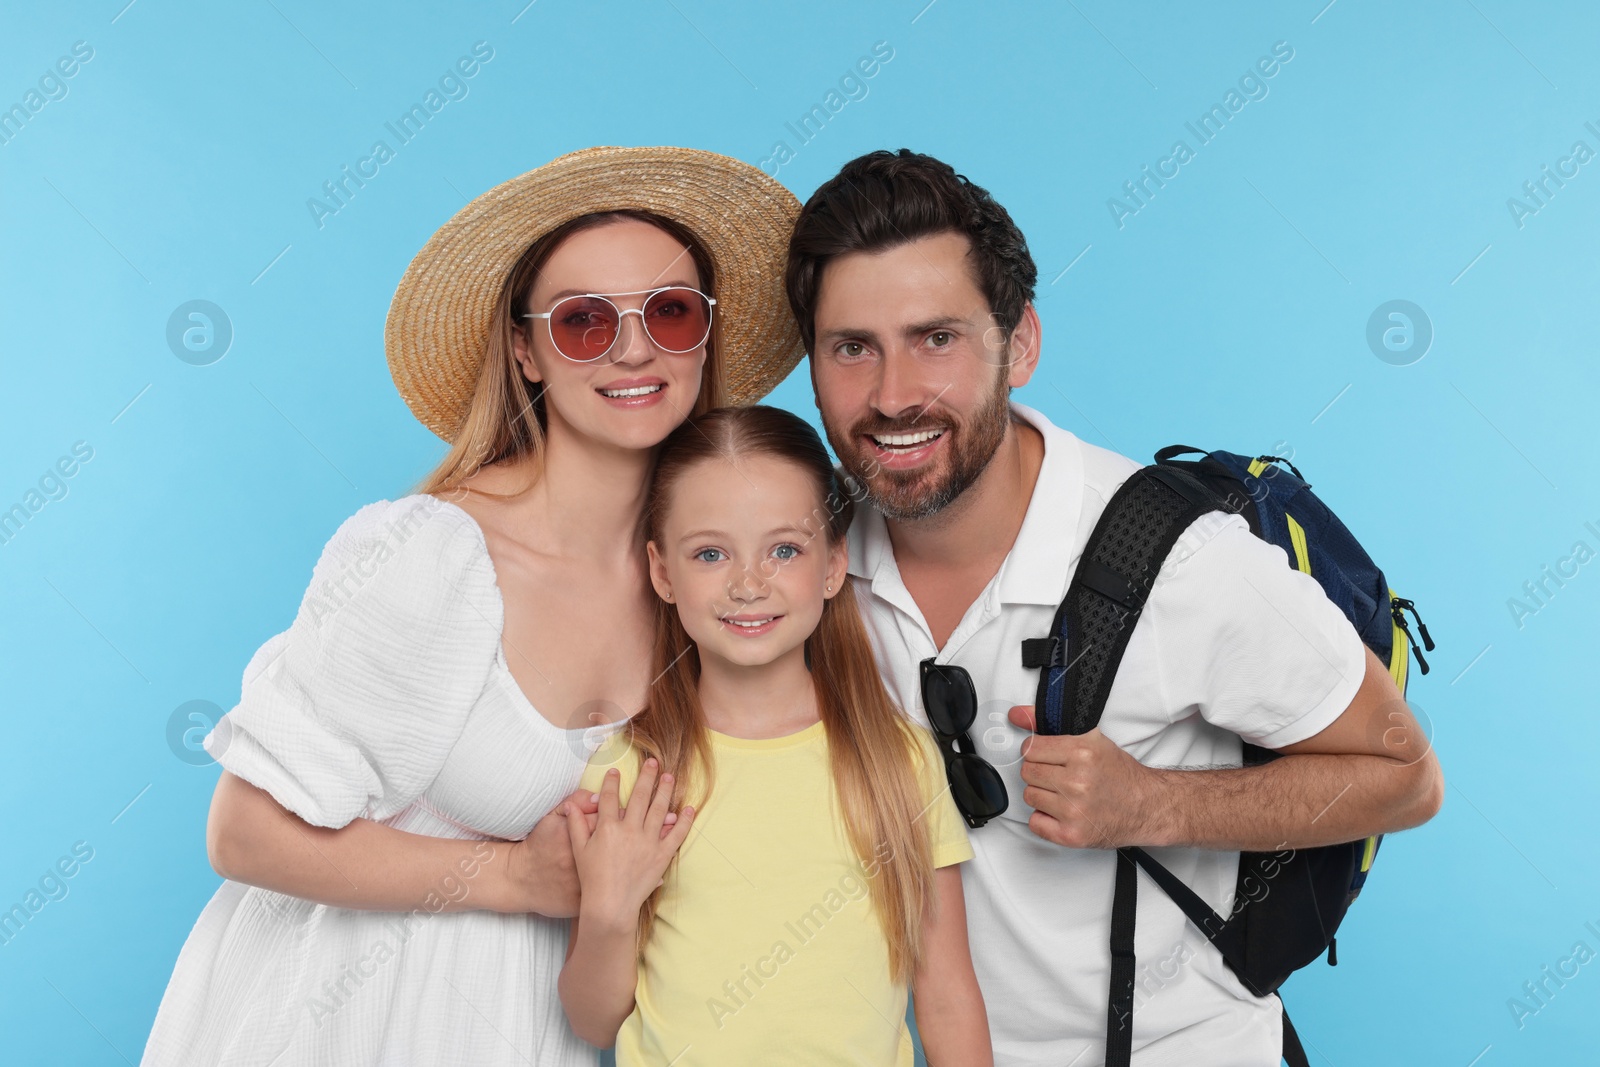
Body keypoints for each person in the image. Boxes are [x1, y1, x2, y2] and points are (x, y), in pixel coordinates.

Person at [139, 146, 806, 1066]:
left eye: (671, 310)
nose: (634, 346)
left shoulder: (716, 584)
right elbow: (241, 829)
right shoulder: (432, 555)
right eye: (582, 321)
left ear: (705, 336)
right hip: (346, 1020)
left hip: (541, 1027)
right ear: (525, 350)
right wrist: (511, 876)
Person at [784, 149, 1445, 1066]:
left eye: (936, 338)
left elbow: (1406, 776)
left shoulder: (1178, 556)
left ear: (1018, 345)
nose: (893, 395)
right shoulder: (802, 571)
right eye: (852, 347)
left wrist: (1153, 802)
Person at [556, 405, 991, 1066]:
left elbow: (948, 996)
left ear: (832, 564)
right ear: (663, 571)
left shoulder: (897, 760)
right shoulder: (632, 774)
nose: (748, 583)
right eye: (710, 552)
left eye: (784, 548)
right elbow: (592, 1020)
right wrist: (610, 914)